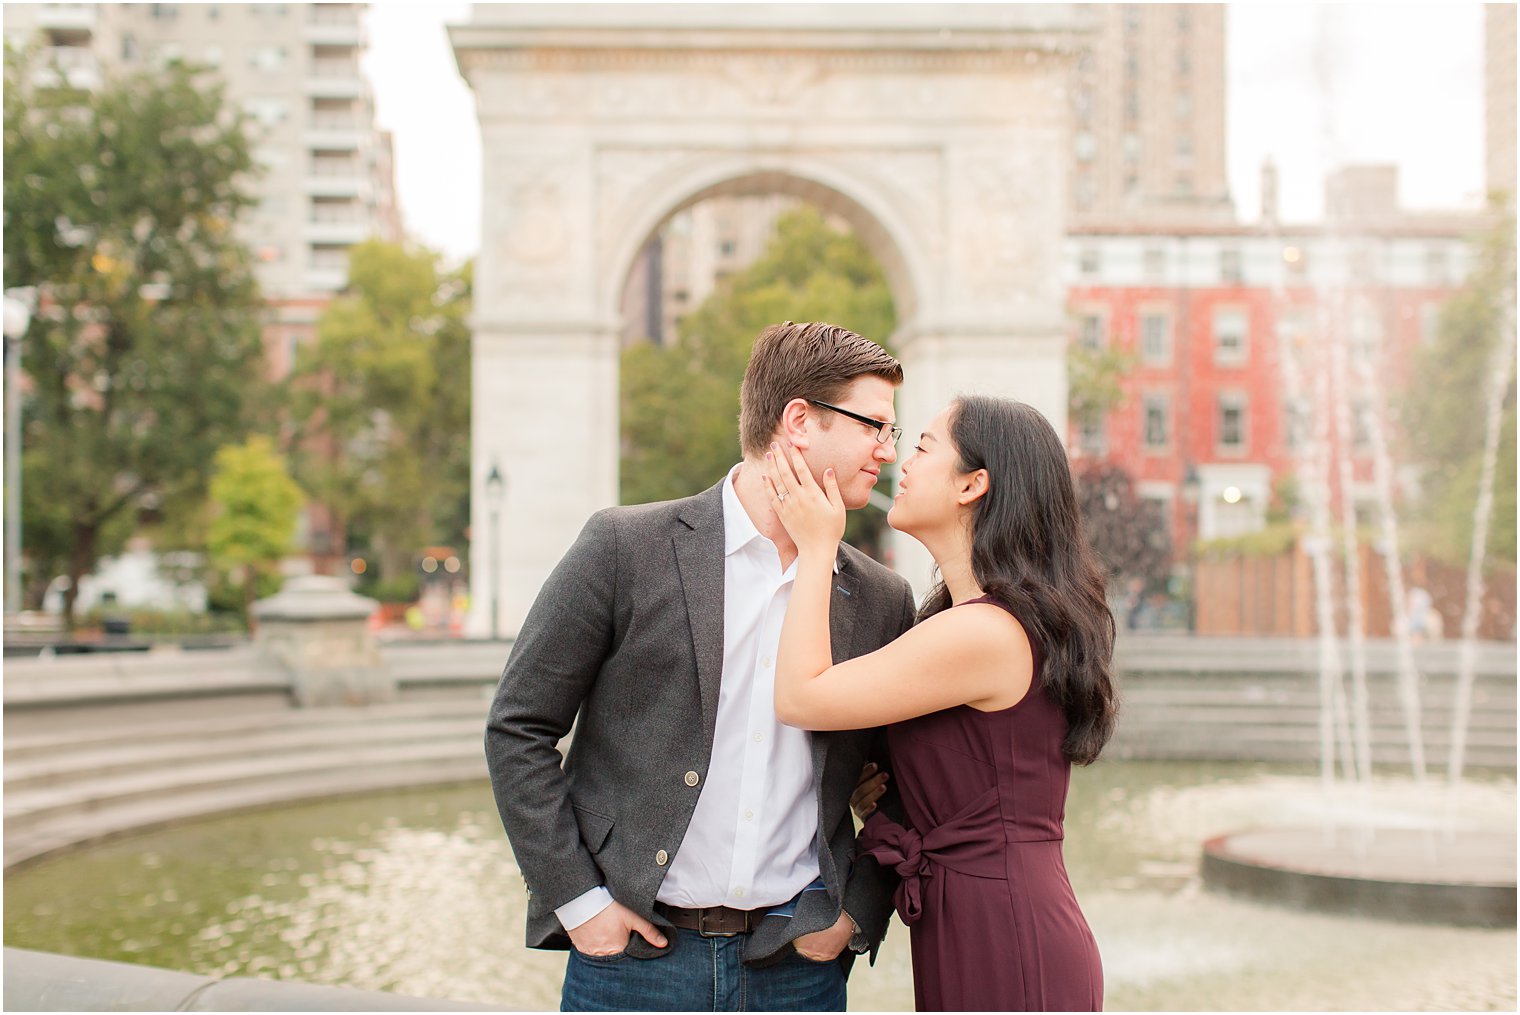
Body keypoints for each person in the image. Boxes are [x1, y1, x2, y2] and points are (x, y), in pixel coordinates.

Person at [485, 321, 918, 1012]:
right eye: (875, 425)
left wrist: (853, 916)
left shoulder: (880, 596)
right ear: (800, 420)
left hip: (796, 968)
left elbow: (911, 780)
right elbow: (517, 728)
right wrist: (577, 899)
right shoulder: (625, 547)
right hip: (634, 963)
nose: (888, 451)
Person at [762, 394, 1118, 1012]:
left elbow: (800, 696)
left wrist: (818, 549)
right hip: (976, 918)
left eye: (923, 447)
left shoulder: (986, 631)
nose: (900, 460)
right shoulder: (973, 621)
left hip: (1006, 931)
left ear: (972, 485)